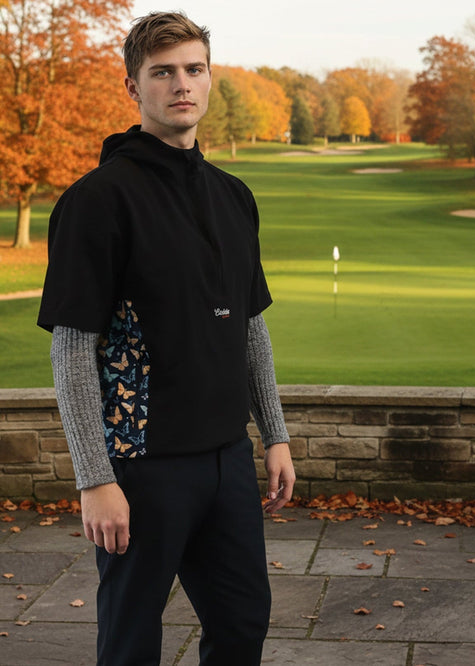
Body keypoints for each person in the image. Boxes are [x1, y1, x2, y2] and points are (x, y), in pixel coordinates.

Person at [37, 11, 295, 666]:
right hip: (140, 467)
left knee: (242, 628)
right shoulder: (98, 200)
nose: (181, 84)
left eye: (193, 69)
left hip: (227, 461)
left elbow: (251, 326)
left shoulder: (234, 196)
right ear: (133, 87)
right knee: (131, 644)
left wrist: (275, 435)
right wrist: (95, 479)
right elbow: (71, 349)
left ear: (209, 79)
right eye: (162, 72)